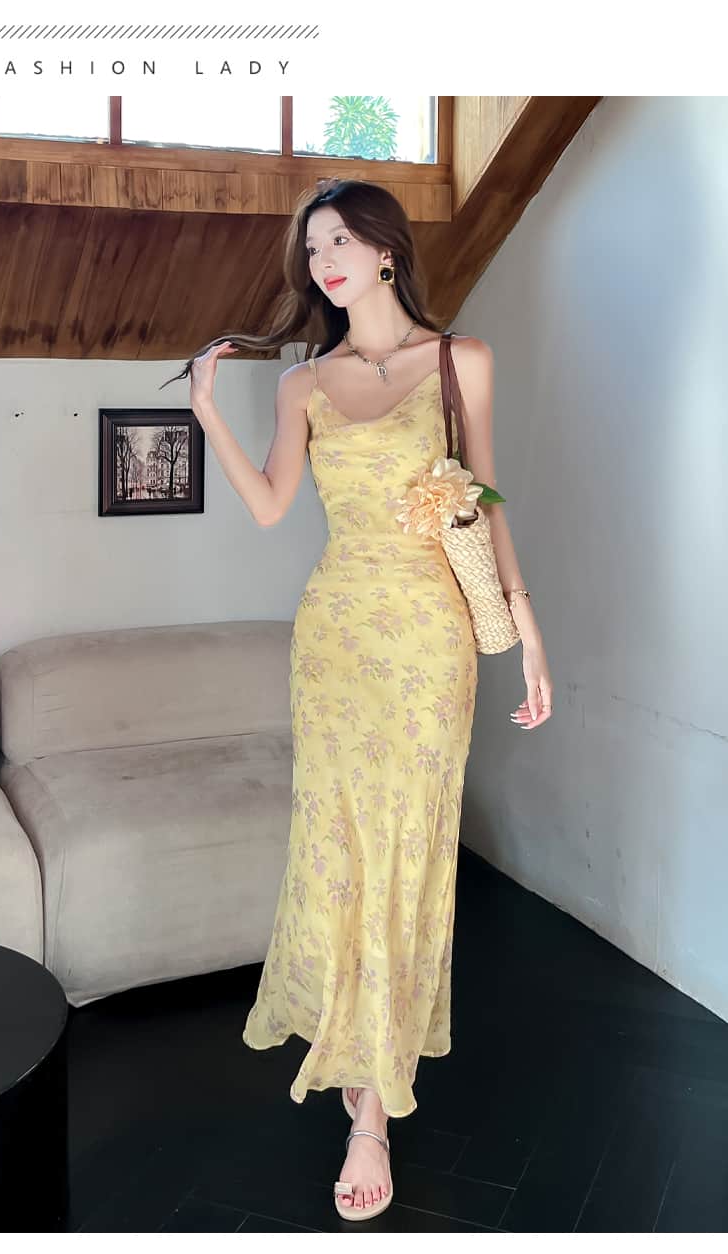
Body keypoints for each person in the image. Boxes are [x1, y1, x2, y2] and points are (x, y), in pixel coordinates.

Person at [160, 177, 554, 1220]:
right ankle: (354, 1052)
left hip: (430, 642)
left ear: (385, 248)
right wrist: (206, 412)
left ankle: (373, 1100)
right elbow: (271, 506)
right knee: (338, 844)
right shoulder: (304, 383)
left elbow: (485, 505)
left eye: (339, 240)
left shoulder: (461, 363)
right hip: (335, 636)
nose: (323, 260)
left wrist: (527, 634)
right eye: (311, 247)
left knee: (408, 845)